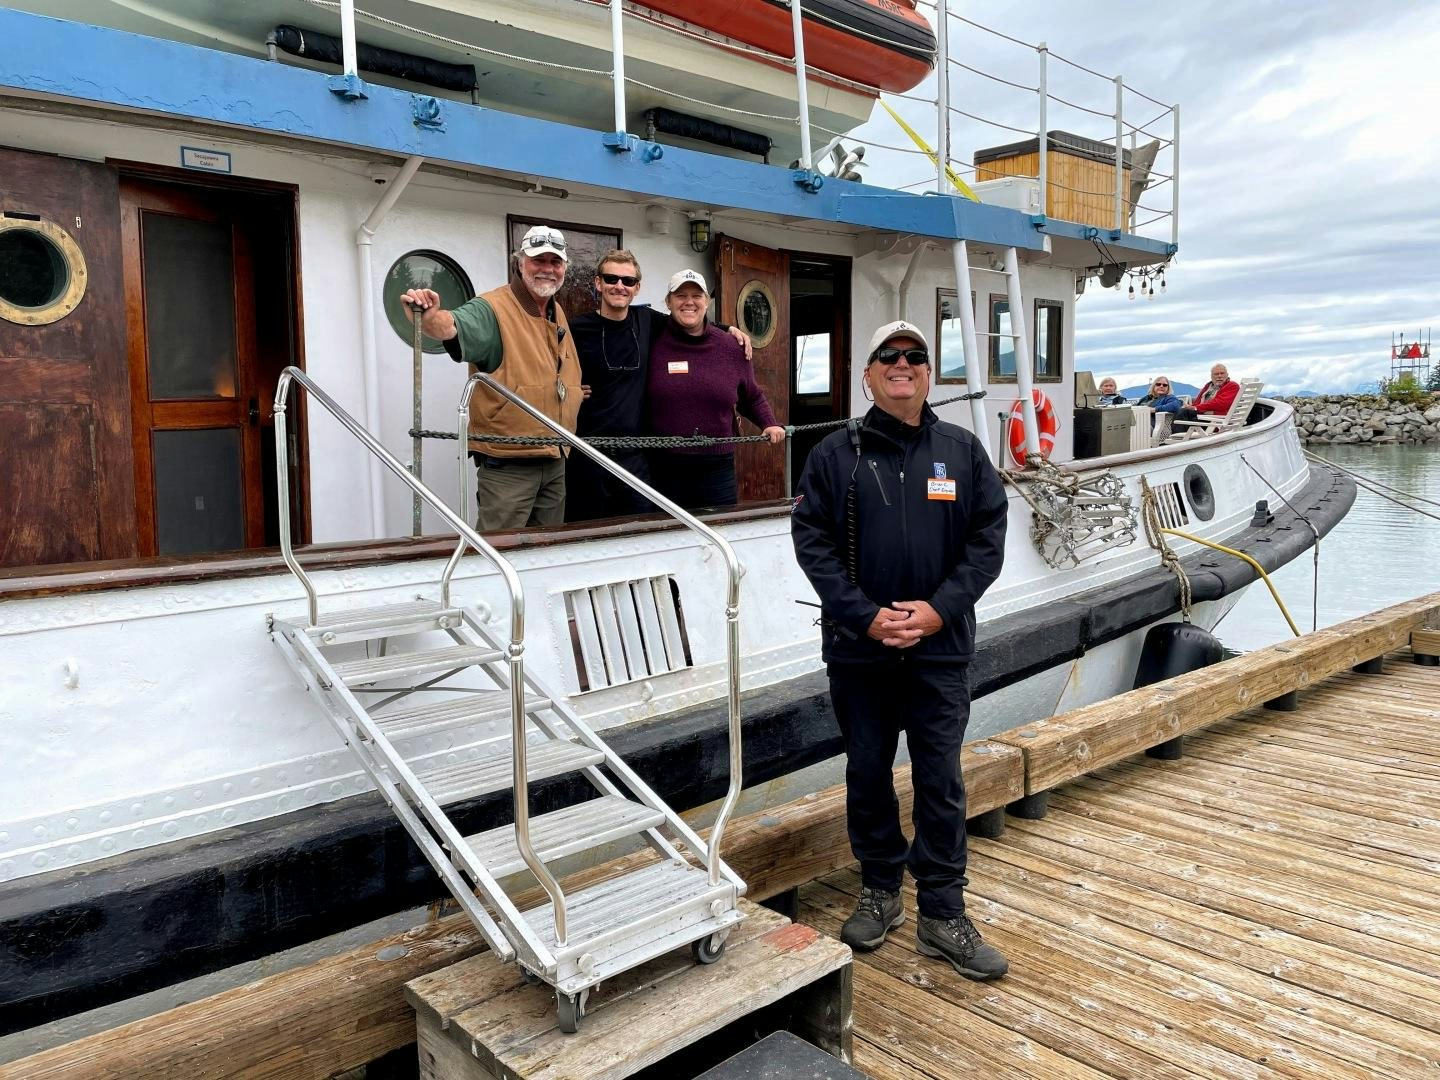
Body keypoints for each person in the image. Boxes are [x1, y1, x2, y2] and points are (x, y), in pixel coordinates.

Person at [790, 319, 1010, 981]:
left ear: (927, 374)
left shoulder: (964, 451)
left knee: (940, 778)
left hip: (941, 652)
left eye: (915, 355)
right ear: (869, 374)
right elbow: (814, 546)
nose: (903, 363)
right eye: (889, 355)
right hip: (862, 653)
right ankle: (881, 890)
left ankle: (943, 913)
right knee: (866, 774)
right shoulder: (833, 456)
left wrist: (939, 610)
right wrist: (867, 618)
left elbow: (987, 541)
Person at [402, 225, 583, 531]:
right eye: (539, 260)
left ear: (564, 267)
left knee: (548, 557)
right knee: (498, 556)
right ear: (520, 263)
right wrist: (429, 315)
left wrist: (572, 392)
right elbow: (451, 326)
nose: (548, 270)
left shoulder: (556, 311)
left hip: (555, 458)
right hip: (508, 465)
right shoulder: (492, 308)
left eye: (555, 262)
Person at [565, 250, 750, 523]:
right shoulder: (575, 329)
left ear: (637, 287)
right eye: (611, 278)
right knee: (586, 534)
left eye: (628, 281)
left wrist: (729, 329)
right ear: (598, 283)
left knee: (643, 531)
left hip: (636, 457)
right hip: (588, 456)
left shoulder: (647, 321)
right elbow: (551, 366)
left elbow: (689, 320)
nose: (619, 286)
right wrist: (569, 388)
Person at [644, 270, 784, 511]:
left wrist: (769, 423)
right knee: (667, 539)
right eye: (680, 296)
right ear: (668, 302)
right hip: (664, 465)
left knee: (720, 532)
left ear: (707, 301)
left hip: (716, 468)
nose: (689, 302)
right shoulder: (651, 337)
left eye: (697, 295)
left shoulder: (731, 346)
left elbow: (751, 395)